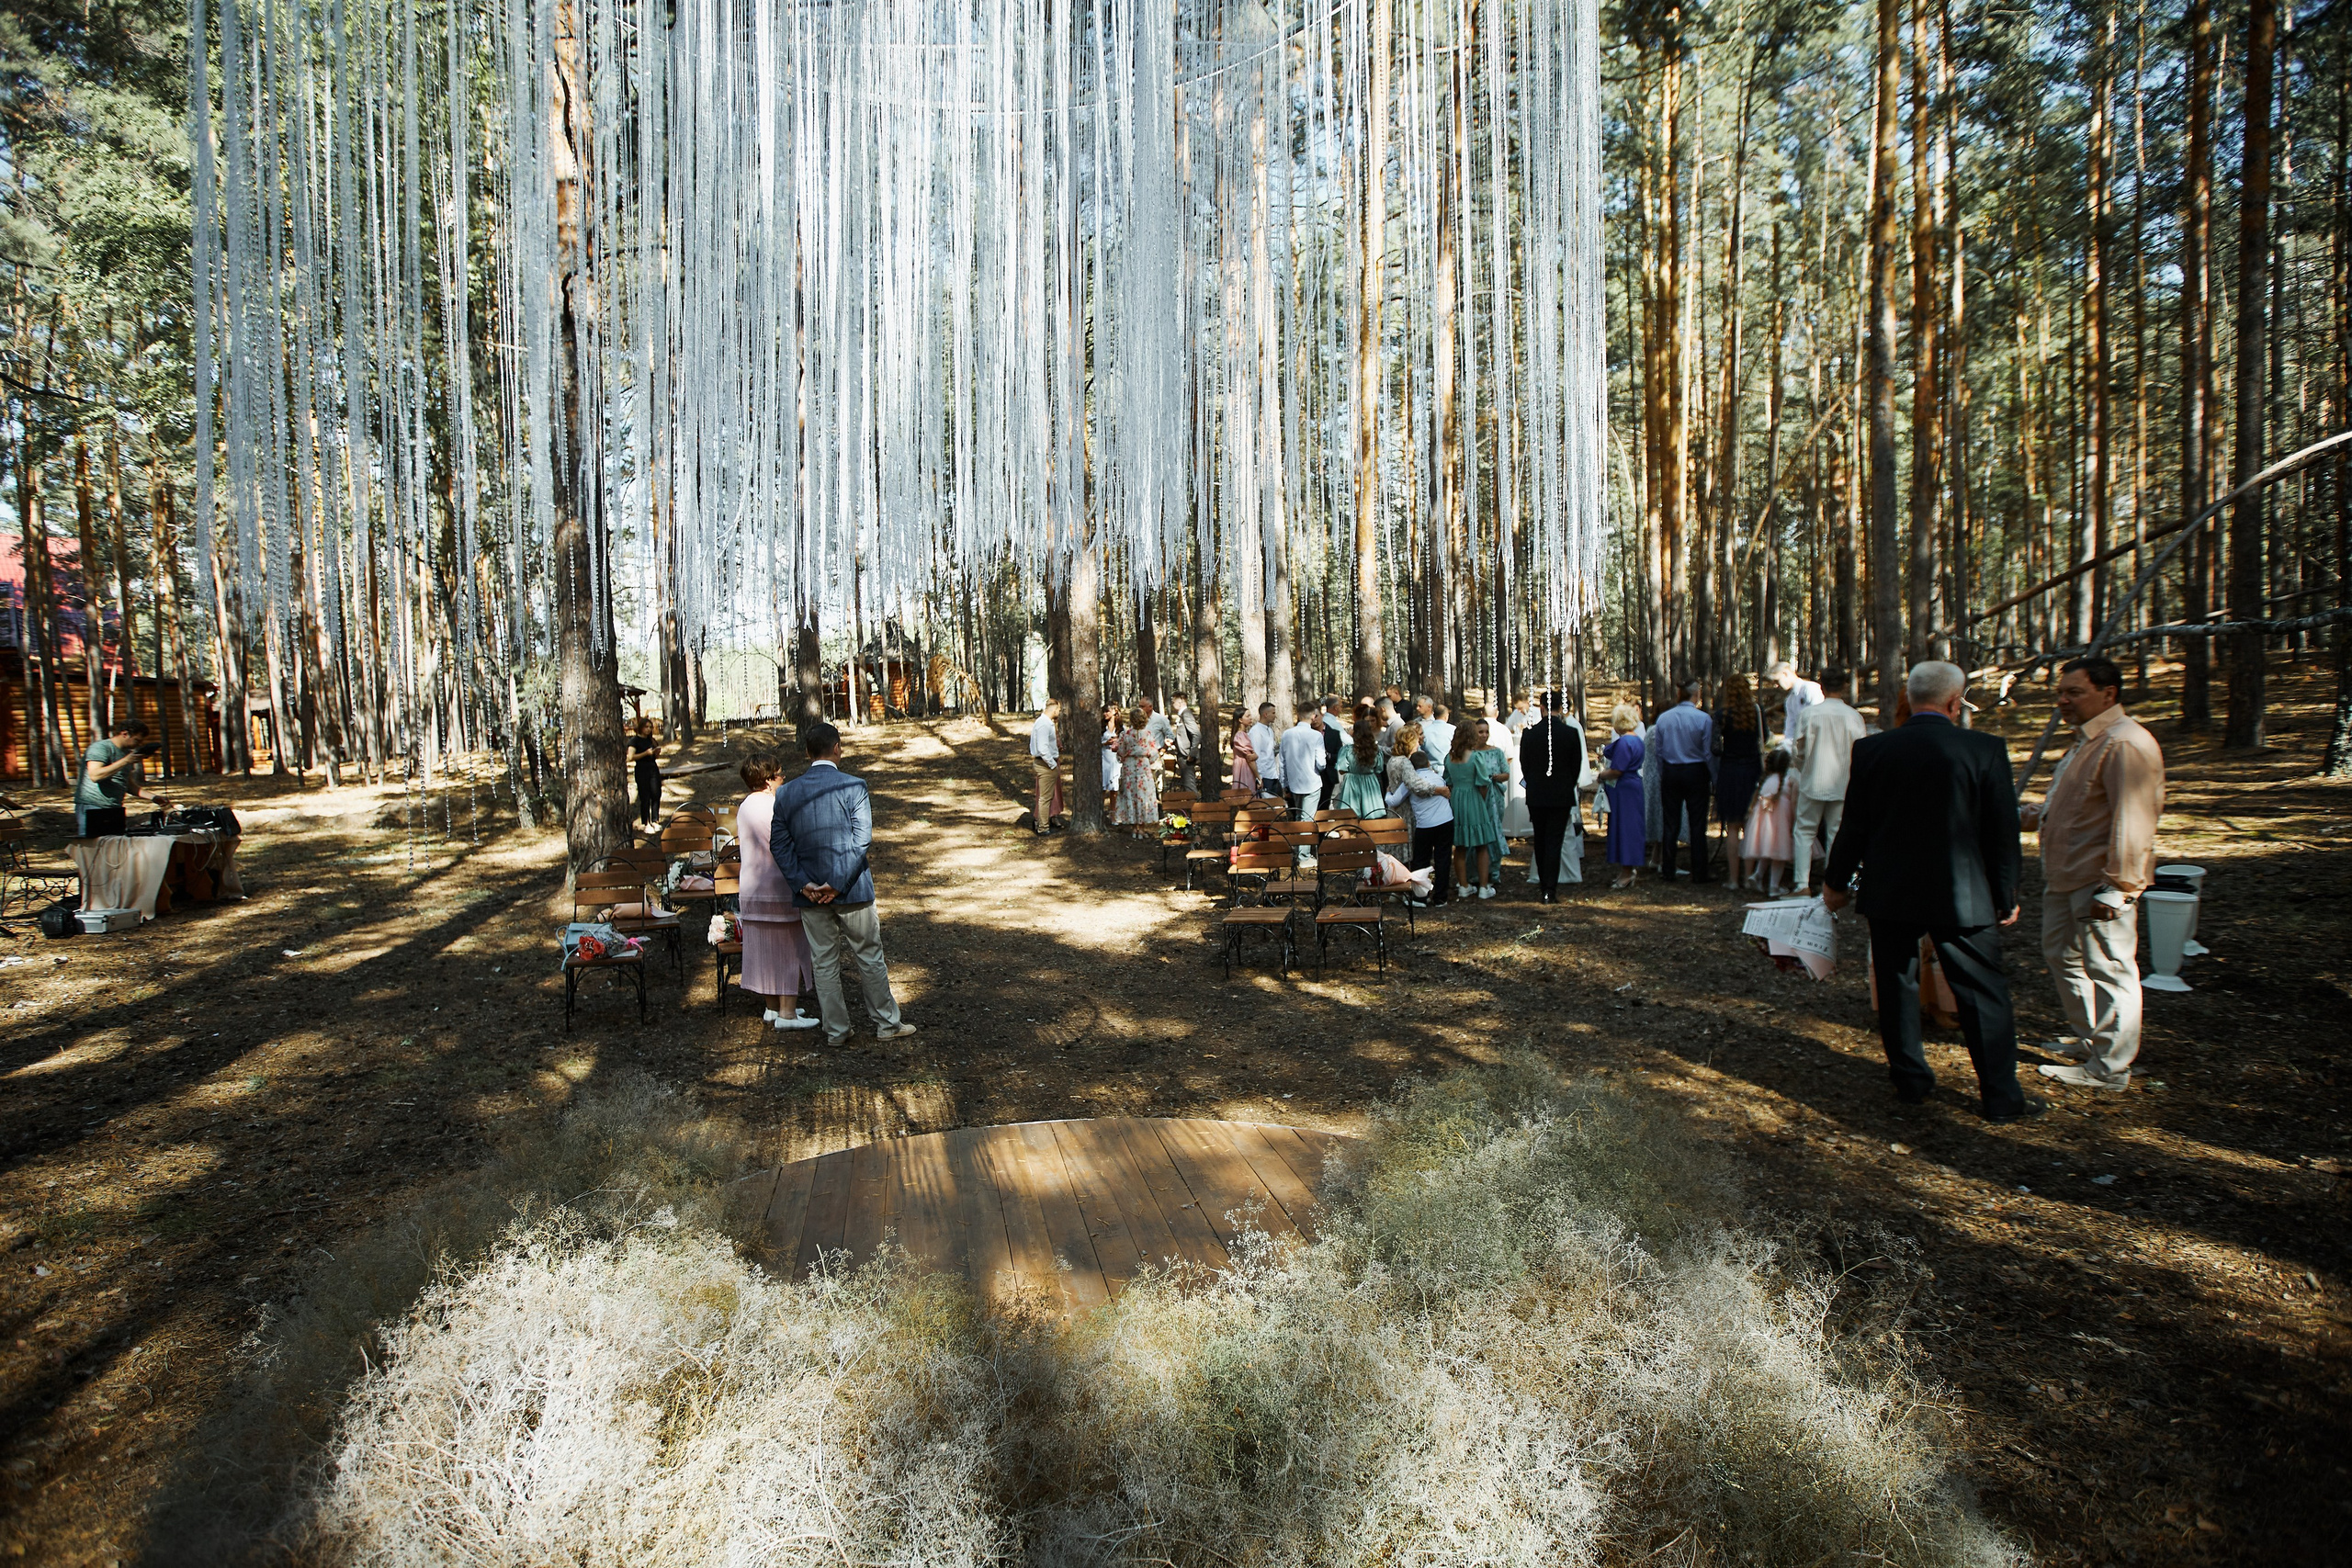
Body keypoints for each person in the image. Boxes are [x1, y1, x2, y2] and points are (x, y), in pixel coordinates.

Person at [1823, 660, 2036, 1122]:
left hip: (1893, 887)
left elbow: (1853, 826)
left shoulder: (1873, 750)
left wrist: (1835, 882)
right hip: (1963, 891)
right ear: (1954, 703)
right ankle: (2000, 1095)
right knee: (1981, 991)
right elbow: (2003, 830)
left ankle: (1911, 1080)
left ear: (1913, 696)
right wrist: (2007, 892)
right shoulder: (1984, 749)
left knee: (1897, 984)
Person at [2024, 656, 2166, 1091]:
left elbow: (2135, 818)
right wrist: (2031, 815)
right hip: (2064, 874)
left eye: (2074, 692)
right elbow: (2079, 806)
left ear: (2109, 694)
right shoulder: (2087, 740)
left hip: (2099, 880)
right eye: (2060, 693)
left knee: (2110, 968)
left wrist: (2120, 886)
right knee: (2061, 957)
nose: (2063, 701)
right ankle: (2093, 1040)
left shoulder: (2126, 743)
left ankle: (2110, 1068)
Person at [768, 722, 916, 1046]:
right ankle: (887, 1025)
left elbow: (779, 845)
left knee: (823, 962)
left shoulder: (787, 792)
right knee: (869, 956)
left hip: (810, 895)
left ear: (807, 753)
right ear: (838, 748)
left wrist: (804, 884)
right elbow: (861, 841)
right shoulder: (854, 785)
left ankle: (836, 1030)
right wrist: (835, 883)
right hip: (853, 891)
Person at [731, 755, 821, 1030]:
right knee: (790, 948)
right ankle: (788, 1014)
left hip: (751, 887)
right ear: (769, 779)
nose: (784, 778)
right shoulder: (776, 805)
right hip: (778, 886)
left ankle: (772, 1007)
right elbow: (790, 842)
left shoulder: (745, 806)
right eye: (781, 774)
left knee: (764, 949)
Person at [1790, 667, 1867, 893]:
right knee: (1836, 833)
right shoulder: (1853, 716)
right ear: (1843, 686)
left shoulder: (1810, 714)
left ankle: (1802, 884)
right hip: (1843, 783)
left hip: (1813, 781)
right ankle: (1832, 882)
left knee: (1804, 831)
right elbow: (1861, 751)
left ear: (1821, 686)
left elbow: (1797, 750)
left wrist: (1805, 768)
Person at [1520, 692, 1590, 902]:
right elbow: (1575, 766)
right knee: (1555, 841)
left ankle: (1545, 886)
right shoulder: (1570, 733)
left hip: (1537, 795)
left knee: (1540, 839)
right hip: (1560, 794)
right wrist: (1565, 785)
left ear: (1541, 707)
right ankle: (1551, 888)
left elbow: (1525, 766)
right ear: (1561, 708)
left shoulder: (1530, 734)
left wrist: (1535, 784)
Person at [1652, 680, 1715, 882]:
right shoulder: (1703, 719)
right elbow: (1708, 753)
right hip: (1696, 772)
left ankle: (1668, 869)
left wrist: (1664, 773)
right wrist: (1713, 777)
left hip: (1671, 771)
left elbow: (1659, 752)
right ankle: (1700, 872)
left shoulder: (1664, 719)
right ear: (1695, 695)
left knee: (1670, 823)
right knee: (1698, 824)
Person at [1385, 747, 1455, 907]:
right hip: (1446, 820)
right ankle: (1440, 898)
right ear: (1429, 763)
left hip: (1425, 825)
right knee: (1443, 859)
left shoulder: (1411, 781)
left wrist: (1388, 792)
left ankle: (1420, 898)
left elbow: (1394, 801)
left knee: (1421, 860)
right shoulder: (1438, 779)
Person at [1713, 674, 1764, 890]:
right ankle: (1750, 876)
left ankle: (1734, 880)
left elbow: (1715, 747)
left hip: (1730, 771)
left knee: (1732, 827)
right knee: (1751, 825)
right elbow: (1766, 737)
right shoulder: (1756, 712)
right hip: (1752, 770)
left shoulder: (1721, 715)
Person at [74, 719, 167, 838]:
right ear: (125, 734)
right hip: (93, 806)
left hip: (114, 808)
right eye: (136, 740)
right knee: (93, 847)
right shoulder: (101, 748)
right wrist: (126, 761)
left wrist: (154, 797)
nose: (138, 745)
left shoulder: (125, 753)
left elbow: (128, 784)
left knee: (113, 846)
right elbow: (95, 775)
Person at [1441, 724, 1500, 897]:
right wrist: (1480, 801)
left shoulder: (1449, 758)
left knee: (1460, 846)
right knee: (1482, 845)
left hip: (1457, 800)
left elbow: (1448, 781)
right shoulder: (1476, 757)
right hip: (1474, 798)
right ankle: (1483, 887)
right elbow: (1483, 783)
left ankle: (1463, 886)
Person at [1599, 705, 1646, 891]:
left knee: (1626, 829)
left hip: (1625, 788)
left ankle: (1627, 871)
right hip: (1632, 786)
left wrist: (1602, 775)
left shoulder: (1626, 742)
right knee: (1630, 827)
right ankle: (1627, 869)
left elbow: (1617, 769)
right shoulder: (1636, 740)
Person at [1742, 749, 1796, 896]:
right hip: (1780, 824)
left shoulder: (1766, 781)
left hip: (1766, 824)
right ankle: (1774, 887)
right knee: (1779, 855)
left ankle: (1758, 875)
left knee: (1767, 851)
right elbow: (1794, 802)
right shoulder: (1788, 781)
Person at [1113, 706, 1164, 830]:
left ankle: (1135, 826)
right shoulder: (1148, 734)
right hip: (1143, 767)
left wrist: (1125, 754)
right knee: (1143, 795)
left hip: (1130, 766)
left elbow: (1121, 751)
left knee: (1131, 794)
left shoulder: (1125, 735)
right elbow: (1153, 753)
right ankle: (1141, 827)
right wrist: (1145, 756)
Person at [1278, 702, 1326, 821]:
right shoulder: (1316, 736)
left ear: (1298, 715)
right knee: (1307, 818)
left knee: (1299, 816)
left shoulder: (1287, 734)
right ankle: (1305, 839)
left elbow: (1282, 761)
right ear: (1313, 716)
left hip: (1295, 783)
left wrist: (1284, 783)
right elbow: (1321, 764)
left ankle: (1299, 839)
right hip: (1312, 782)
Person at [1334, 716, 1388, 817]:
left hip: (1352, 783)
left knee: (1351, 817)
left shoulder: (1347, 750)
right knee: (1371, 815)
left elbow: (1341, 770)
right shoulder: (1376, 751)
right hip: (1370, 783)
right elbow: (1379, 769)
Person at [1028, 698, 1064, 835]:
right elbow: (1042, 748)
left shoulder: (1045, 723)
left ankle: (1041, 824)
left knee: (1046, 796)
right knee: (1045, 798)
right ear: (1054, 710)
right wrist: (1052, 764)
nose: (1059, 713)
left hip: (1046, 763)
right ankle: (1043, 827)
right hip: (1045, 764)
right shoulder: (1044, 724)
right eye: (1059, 710)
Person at [1769, 660, 1825, 746]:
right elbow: (1790, 729)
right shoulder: (1789, 700)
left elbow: (1818, 718)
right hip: (1801, 745)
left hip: (1818, 742)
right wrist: (1786, 746)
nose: (1776, 685)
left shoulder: (1810, 688)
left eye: (1777, 681)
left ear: (1785, 673)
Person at [628, 716, 663, 829]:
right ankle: (645, 822)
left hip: (653, 768)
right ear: (641, 728)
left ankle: (655, 820)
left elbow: (654, 756)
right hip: (641, 769)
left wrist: (656, 752)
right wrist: (645, 753)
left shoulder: (651, 740)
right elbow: (630, 757)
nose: (648, 729)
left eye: (650, 727)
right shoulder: (634, 741)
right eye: (646, 727)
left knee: (656, 794)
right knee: (645, 796)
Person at [1165, 693, 1201, 791]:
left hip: (1186, 757)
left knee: (1190, 787)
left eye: (1173, 702)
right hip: (1182, 755)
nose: (1172, 705)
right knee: (1186, 786)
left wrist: (1192, 754)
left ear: (1180, 703)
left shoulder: (1186, 714)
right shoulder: (1182, 715)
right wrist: (1174, 742)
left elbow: (1196, 734)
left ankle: (1195, 805)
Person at [1318, 696, 1346, 812]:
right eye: (1340, 706)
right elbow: (1347, 741)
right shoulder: (1333, 724)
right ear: (1335, 707)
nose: (1341, 709)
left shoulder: (1332, 723)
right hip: (1327, 771)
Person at [1249, 703, 1282, 797]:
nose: (1275, 716)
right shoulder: (1255, 732)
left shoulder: (1270, 730)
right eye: (1273, 713)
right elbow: (1256, 756)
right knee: (1267, 807)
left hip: (1274, 774)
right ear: (1265, 714)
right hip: (1264, 776)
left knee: (1279, 806)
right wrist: (1259, 778)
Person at [1230, 710, 1262, 794]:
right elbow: (1250, 758)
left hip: (1243, 767)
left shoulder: (1242, 735)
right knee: (1247, 795)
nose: (1250, 718)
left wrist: (1255, 755)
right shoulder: (1240, 736)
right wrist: (1258, 777)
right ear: (1240, 720)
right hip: (1244, 769)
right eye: (1247, 716)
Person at [1420, 701, 1457, 766]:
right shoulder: (1453, 730)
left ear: (1434, 716)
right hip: (1449, 767)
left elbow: (1421, 750)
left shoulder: (1425, 731)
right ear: (1446, 716)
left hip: (1430, 769)